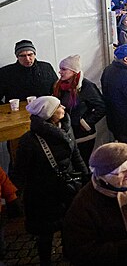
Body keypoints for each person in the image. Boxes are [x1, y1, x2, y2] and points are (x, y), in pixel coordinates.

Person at [12, 96, 88, 266]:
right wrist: (13, 197)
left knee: (68, 224)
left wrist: (86, 176)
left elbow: (75, 155)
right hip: (42, 194)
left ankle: (68, 254)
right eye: (58, 106)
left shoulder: (66, 128)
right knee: (45, 232)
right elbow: (20, 171)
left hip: (66, 188)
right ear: (50, 113)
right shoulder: (29, 141)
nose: (63, 107)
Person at [53, 55, 106, 165]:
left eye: (64, 69)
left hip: (83, 135)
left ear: (73, 71)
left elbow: (101, 107)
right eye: (60, 69)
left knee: (83, 163)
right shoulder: (59, 86)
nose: (60, 72)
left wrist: (85, 122)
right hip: (67, 132)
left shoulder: (87, 87)